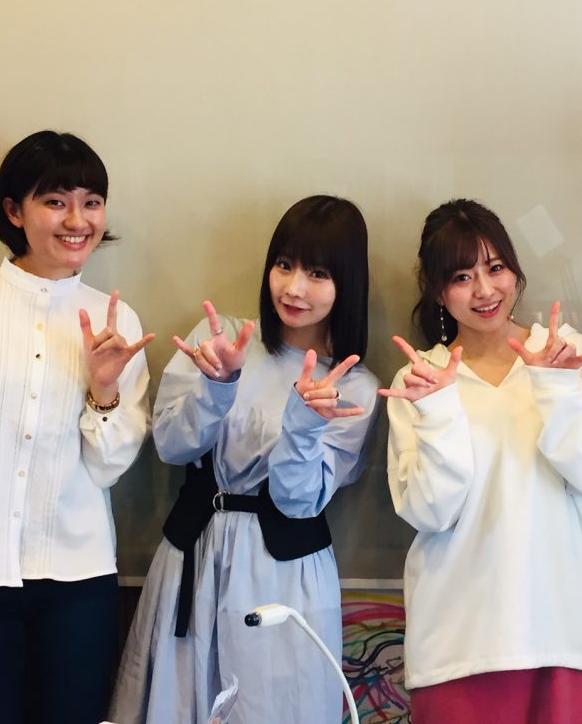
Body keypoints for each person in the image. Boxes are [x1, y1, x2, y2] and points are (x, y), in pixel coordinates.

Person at [0, 131, 154, 724]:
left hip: (77, 581)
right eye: (56, 201)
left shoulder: (116, 324)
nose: (78, 220)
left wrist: (104, 391)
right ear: (14, 211)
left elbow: (109, 468)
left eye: (92, 202)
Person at [110, 195, 380, 724]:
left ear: (347, 284)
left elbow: (297, 502)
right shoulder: (219, 341)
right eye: (284, 265)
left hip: (284, 574)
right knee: (179, 702)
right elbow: (172, 446)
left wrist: (305, 423)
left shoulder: (352, 385)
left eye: (318, 273)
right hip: (192, 555)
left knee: (273, 706)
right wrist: (218, 386)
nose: (293, 288)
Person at [381, 199, 582, 724]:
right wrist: (439, 410)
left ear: (515, 271)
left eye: (495, 268)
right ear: (437, 291)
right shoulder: (419, 379)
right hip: (455, 644)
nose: (484, 290)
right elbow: (429, 512)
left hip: (559, 632)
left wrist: (556, 389)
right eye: (461, 277)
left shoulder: (567, 355)